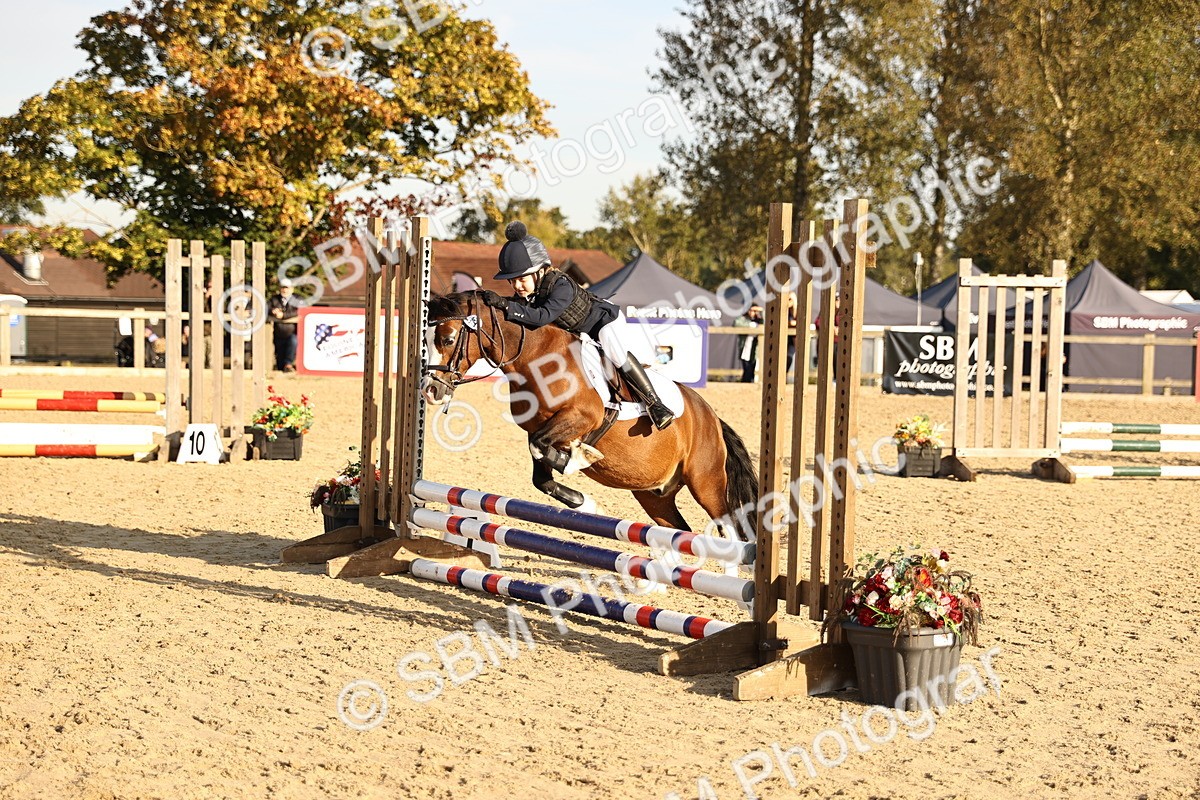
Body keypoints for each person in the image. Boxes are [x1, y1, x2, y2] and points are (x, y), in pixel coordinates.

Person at [478, 221, 675, 430]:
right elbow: (519, 311)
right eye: (512, 281)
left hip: (604, 323)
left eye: (521, 279)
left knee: (615, 352)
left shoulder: (561, 286)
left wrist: (504, 305)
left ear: (539, 271)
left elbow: (541, 317)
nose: (516, 286)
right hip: (582, 336)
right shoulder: (533, 293)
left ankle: (655, 404)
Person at [269, 280, 300, 372]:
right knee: (279, 356)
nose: (285, 290)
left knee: (293, 343)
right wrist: (273, 311)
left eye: (287, 288)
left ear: (292, 289)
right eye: (283, 288)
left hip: (293, 331)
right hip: (278, 332)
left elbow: (300, 310)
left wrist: (284, 315)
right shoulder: (274, 299)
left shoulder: (298, 299)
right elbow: (266, 308)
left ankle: (289, 364)